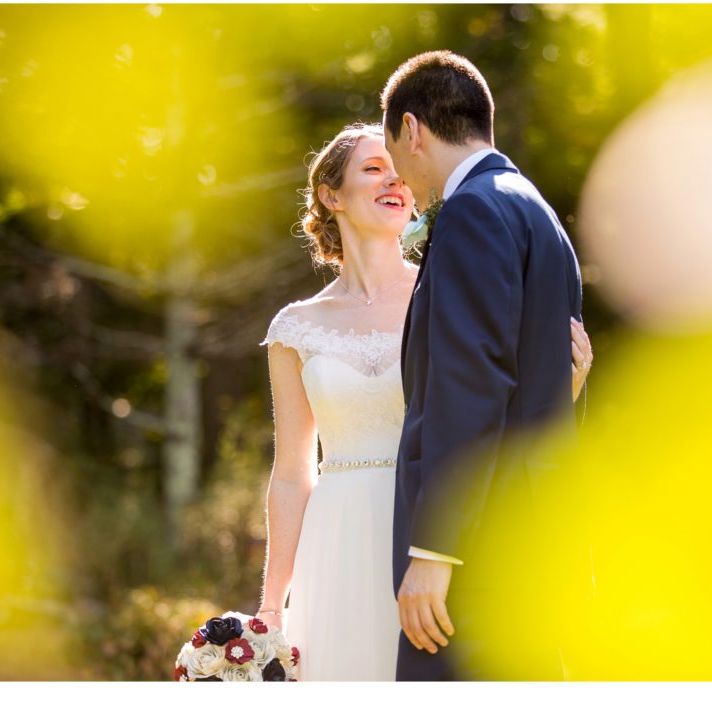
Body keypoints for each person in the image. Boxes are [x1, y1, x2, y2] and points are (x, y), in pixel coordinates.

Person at [255, 122, 593, 681]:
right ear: (330, 195)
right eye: (372, 169)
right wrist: (271, 605)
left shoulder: (446, 289)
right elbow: (291, 473)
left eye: (397, 169)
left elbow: (490, 408)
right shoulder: (295, 328)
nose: (395, 180)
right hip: (337, 543)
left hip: (433, 525)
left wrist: (564, 389)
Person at [381, 51, 593, 681]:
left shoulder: (472, 210)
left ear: (412, 130)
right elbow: (535, 371)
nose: (402, 183)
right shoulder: (535, 209)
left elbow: (468, 382)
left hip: (478, 554)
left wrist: (434, 550)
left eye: (393, 155)